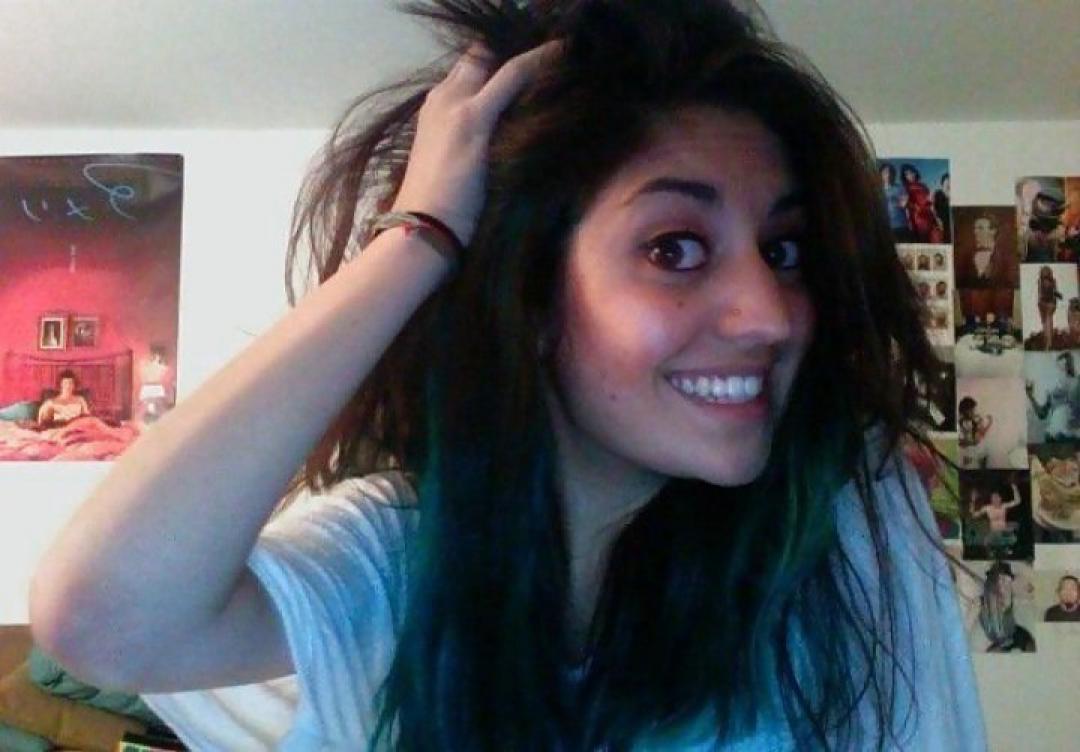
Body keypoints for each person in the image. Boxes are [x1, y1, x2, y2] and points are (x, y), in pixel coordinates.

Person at [29, 2, 986, 750]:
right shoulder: (391, 560)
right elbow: (101, 620)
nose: (772, 314)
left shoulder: (845, 525)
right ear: (527, 301)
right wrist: (422, 237)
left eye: (783, 251)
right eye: (675, 248)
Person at [978, 561, 1036, 653]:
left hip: (1014, 635)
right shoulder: (982, 600)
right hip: (1000, 639)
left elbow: (1028, 592)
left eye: (1006, 581)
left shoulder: (1008, 592)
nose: (1004, 585)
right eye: (1001, 580)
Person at [1026, 351, 1080, 442]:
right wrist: (1030, 396)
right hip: (1052, 436)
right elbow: (1042, 414)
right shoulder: (1053, 390)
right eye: (1064, 364)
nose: (1067, 367)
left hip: (1073, 437)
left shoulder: (1078, 383)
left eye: (1069, 362)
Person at [900, 164, 944, 244]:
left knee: (938, 242)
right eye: (907, 174)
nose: (910, 175)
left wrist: (932, 201)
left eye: (911, 172)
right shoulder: (905, 188)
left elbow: (930, 203)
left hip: (931, 219)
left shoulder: (923, 186)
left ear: (915, 172)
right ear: (904, 177)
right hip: (918, 222)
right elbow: (904, 205)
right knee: (924, 245)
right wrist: (910, 205)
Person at [880, 162, 912, 242]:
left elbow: (905, 205)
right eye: (885, 172)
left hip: (902, 225)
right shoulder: (878, 190)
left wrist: (904, 202)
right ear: (881, 175)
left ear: (893, 174)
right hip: (886, 228)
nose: (888, 175)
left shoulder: (900, 188)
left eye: (890, 172)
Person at [958, 396, 993, 468]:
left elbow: (982, 433)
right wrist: (972, 442)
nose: (973, 411)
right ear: (965, 411)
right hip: (969, 455)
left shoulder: (976, 419)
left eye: (973, 409)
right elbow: (961, 443)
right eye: (971, 410)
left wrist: (989, 423)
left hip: (981, 452)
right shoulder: (960, 423)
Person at [932, 173, 951, 242]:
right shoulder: (937, 195)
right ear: (942, 185)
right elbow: (933, 209)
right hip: (941, 227)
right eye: (947, 185)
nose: (949, 185)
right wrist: (938, 220)